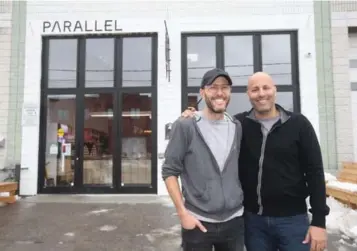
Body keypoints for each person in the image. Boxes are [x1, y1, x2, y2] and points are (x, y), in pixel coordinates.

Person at [181, 71, 329, 251]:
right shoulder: (239, 124)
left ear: (274, 90)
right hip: (253, 223)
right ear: (248, 94)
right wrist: (194, 115)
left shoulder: (299, 124)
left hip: (293, 221)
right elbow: (214, 120)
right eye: (255, 89)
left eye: (266, 88)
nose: (261, 94)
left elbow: (315, 172)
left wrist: (319, 222)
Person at [162, 68, 245, 251]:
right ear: (202, 92)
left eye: (225, 87)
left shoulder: (236, 126)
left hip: (234, 222)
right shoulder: (186, 126)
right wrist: (183, 214)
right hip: (198, 222)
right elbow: (169, 171)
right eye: (213, 87)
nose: (220, 93)